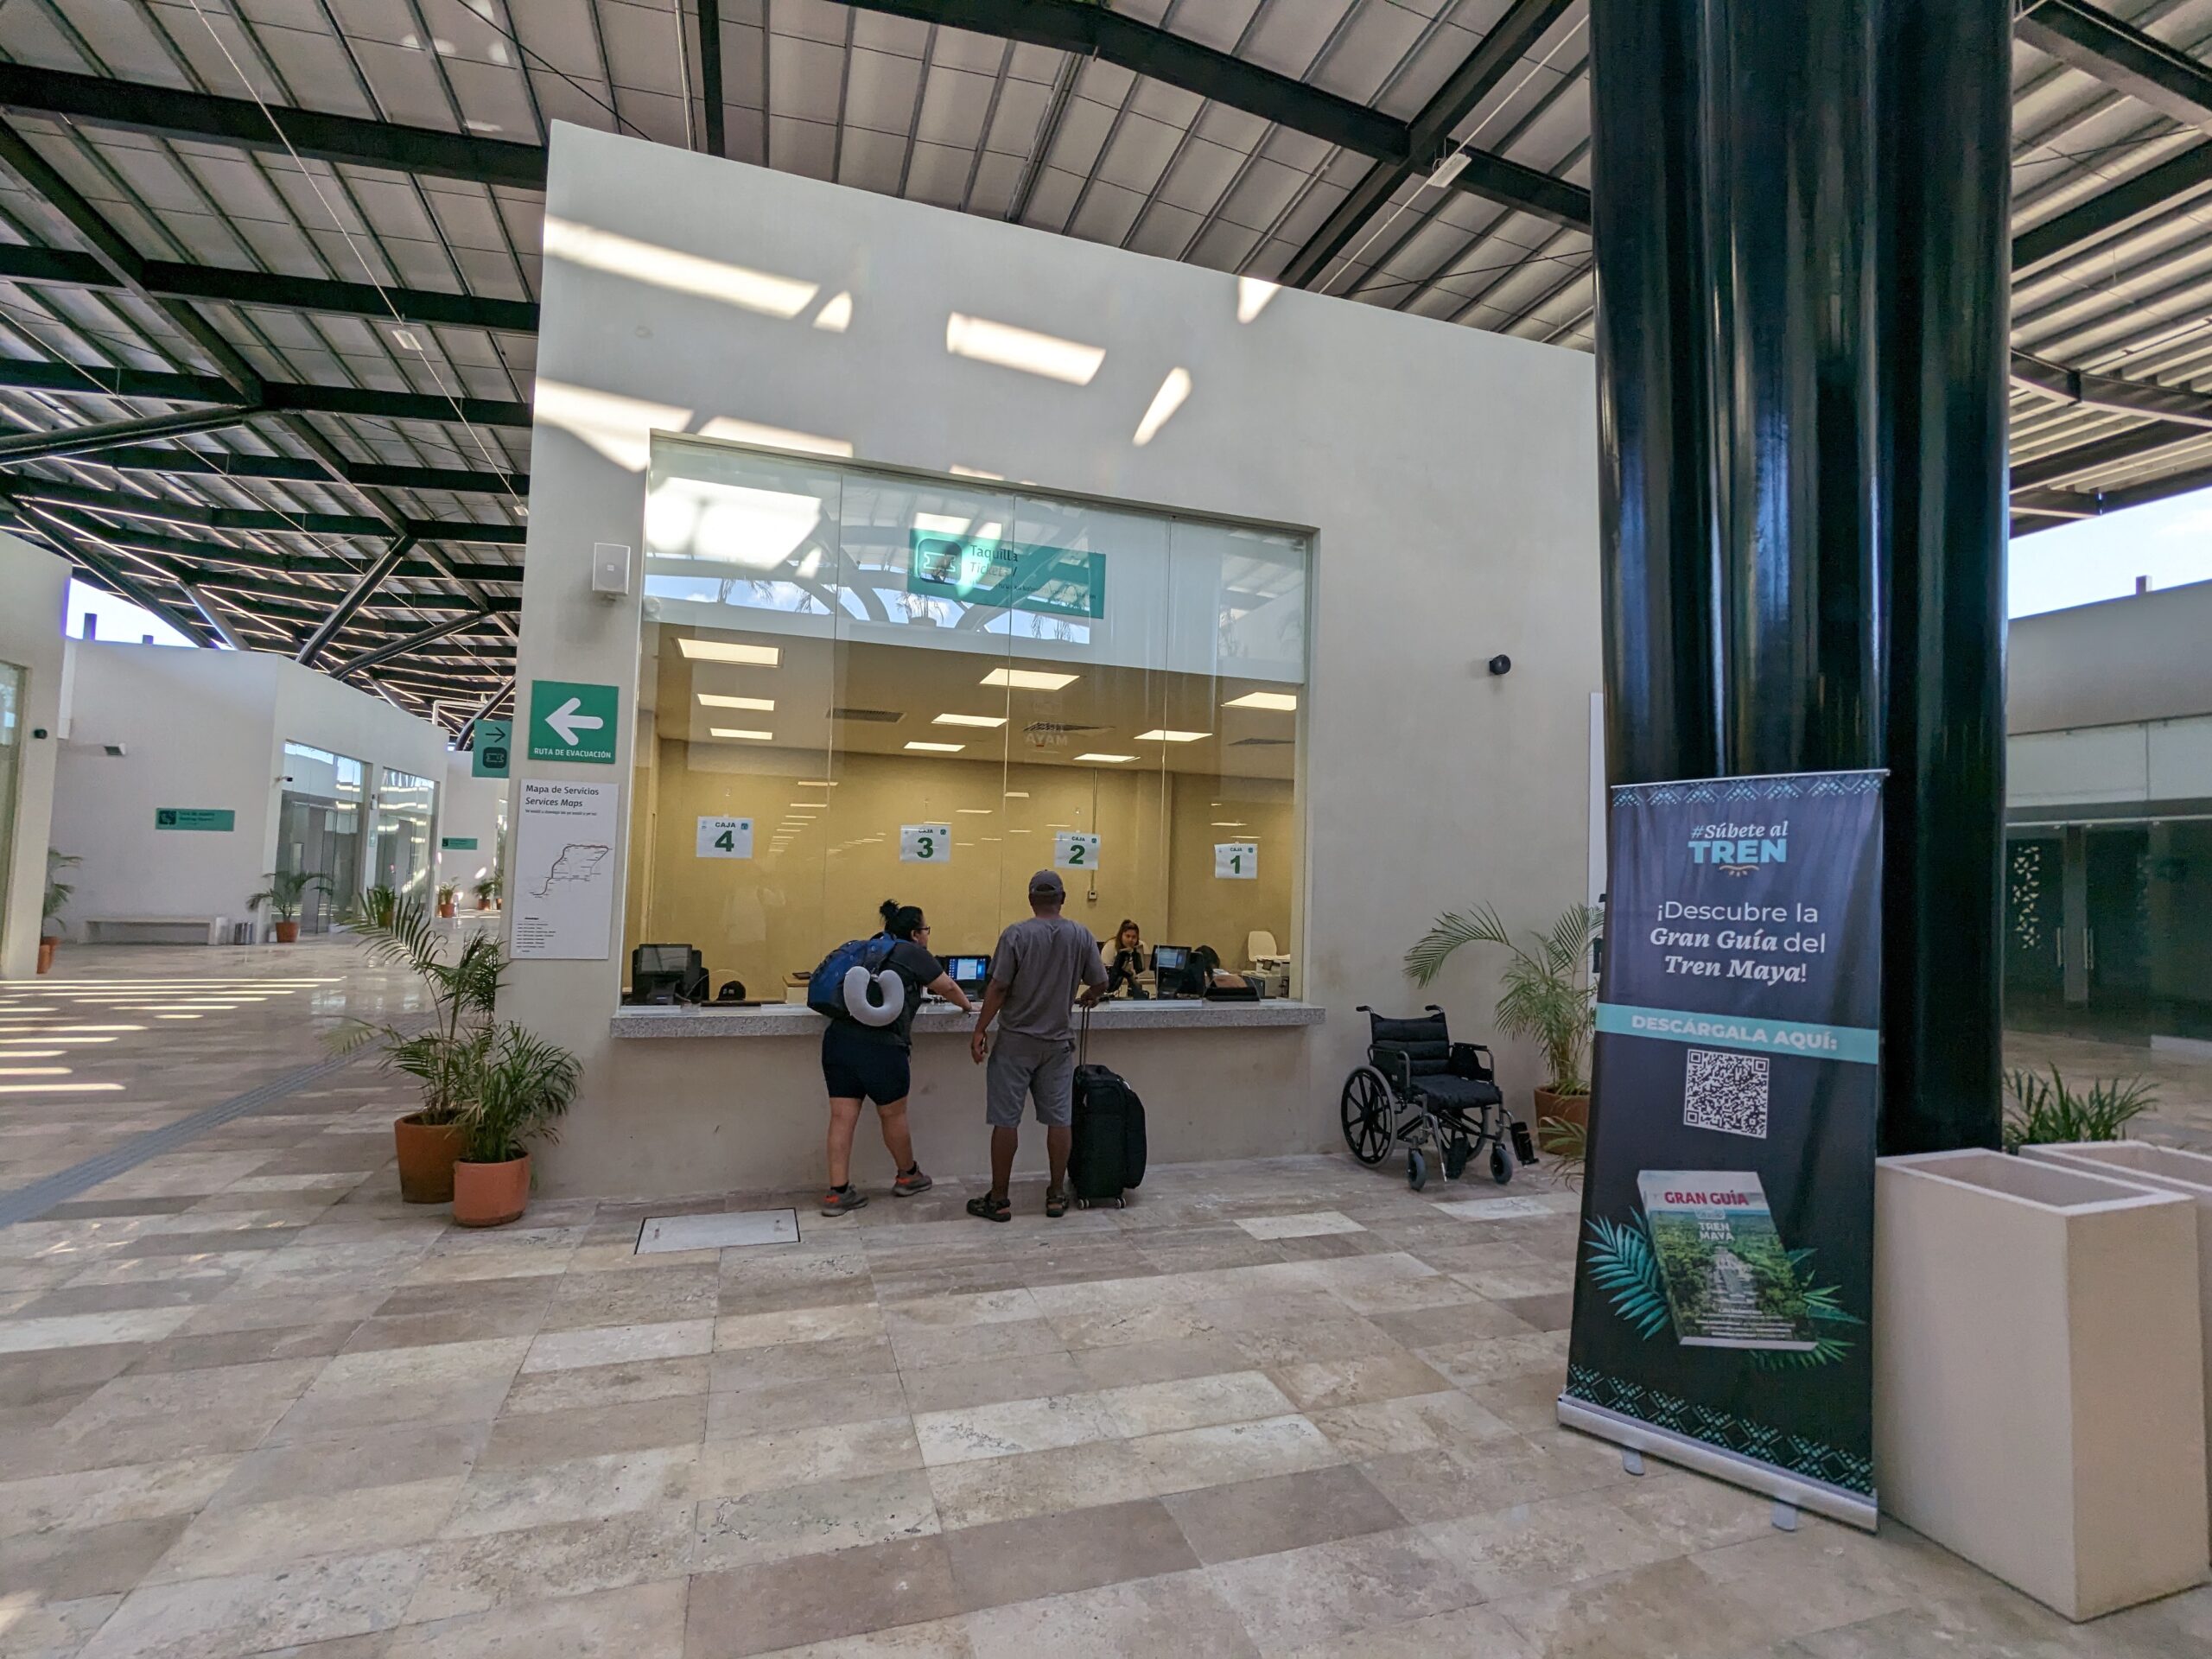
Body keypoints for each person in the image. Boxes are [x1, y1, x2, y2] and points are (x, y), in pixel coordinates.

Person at [967, 869, 1108, 1221]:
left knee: (1006, 1122)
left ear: (1031, 900)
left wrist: (980, 1029)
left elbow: (998, 988)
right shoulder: (1080, 934)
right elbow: (1101, 980)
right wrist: (1089, 995)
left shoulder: (1016, 934)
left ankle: (999, 1200)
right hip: (1057, 1045)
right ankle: (1056, 1195)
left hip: (1015, 1043)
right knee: (1059, 1120)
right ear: (1063, 899)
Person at [818, 900, 973, 1217]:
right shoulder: (913, 953)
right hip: (882, 1048)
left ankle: (838, 1193)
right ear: (916, 934)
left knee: (841, 1118)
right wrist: (969, 1009)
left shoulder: (866, 948)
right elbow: (950, 987)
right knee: (893, 1115)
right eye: (926, 930)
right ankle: (908, 1175)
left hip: (838, 1042)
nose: (927, 936)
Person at [1103, 918, 1149, 999]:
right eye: (1127, 936)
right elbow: (1104, 975)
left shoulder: (1142, 946)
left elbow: (1147, 974)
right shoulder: (1110, 946)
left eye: (1134, 937)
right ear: (1121, 935)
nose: (1131, 940)